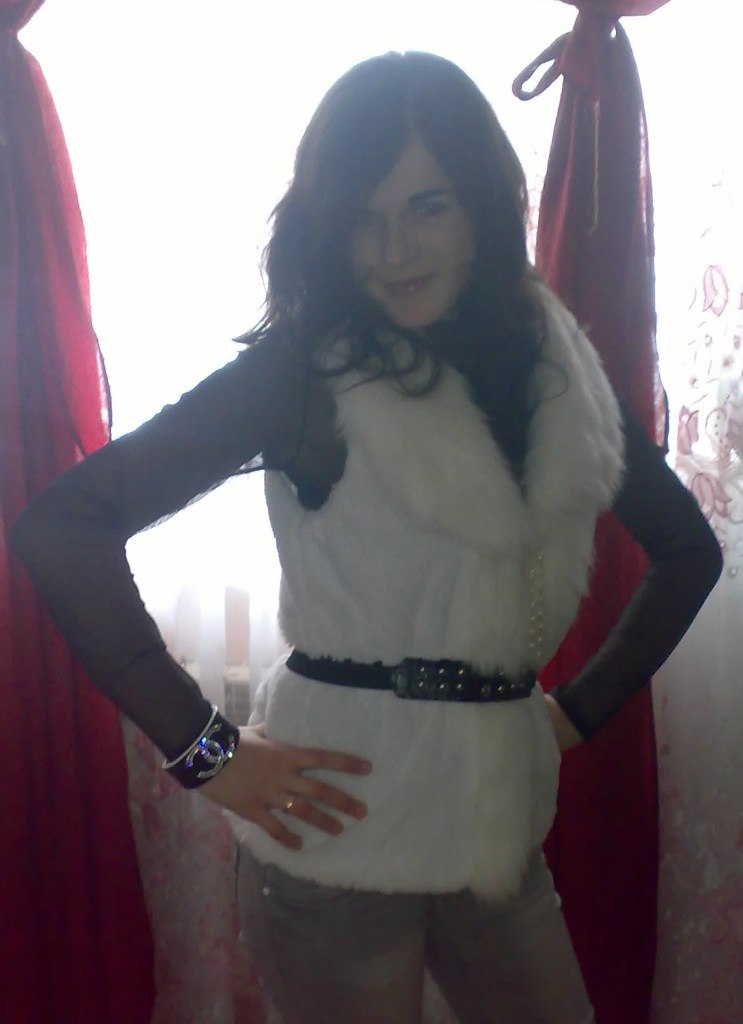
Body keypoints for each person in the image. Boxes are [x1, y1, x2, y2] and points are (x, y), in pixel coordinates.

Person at [11, 50, 722, 1024]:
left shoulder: (553, 365)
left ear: (481, 206)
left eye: (427, 207)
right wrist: (207, 752)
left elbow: (687, 552)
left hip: (495, 827)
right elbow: (62, 528)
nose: (393, 249)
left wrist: (575, 711)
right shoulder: (304, 373)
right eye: (362, 217)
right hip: (335, 833)